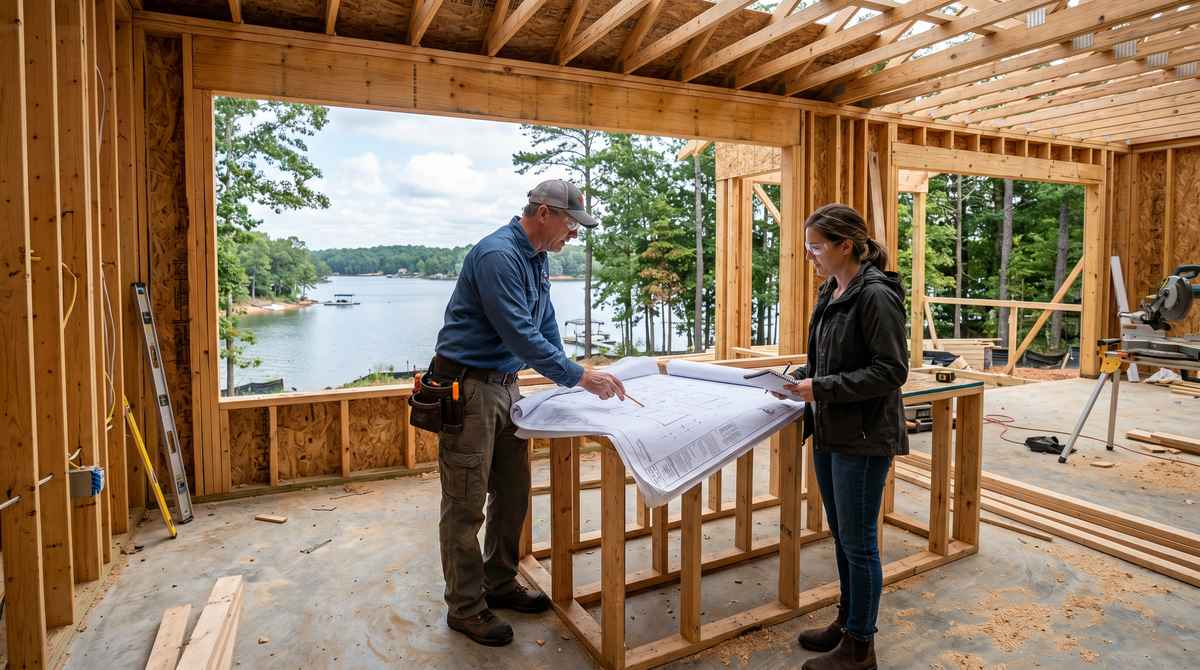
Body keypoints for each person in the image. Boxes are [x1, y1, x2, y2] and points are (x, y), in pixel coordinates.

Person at [430, 178, 627, 647]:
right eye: (570, 223)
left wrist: (571, 376)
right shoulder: (498, 255)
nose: (574, 234)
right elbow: (519, 333)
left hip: (505, 387)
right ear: (543, 213)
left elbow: (545, 326)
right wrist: (579, 377)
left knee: (513, 494)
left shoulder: (535, 259)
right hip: (469, 388)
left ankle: (498, 584)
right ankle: (465, 607)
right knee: (464, 503)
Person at [782, 203, 908, 670]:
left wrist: (822, 388)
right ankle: (847, 621)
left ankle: (861, 648)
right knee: (842, 536)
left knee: (860, 544)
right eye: (808, 247)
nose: (810, 255)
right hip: (831, 428)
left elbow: (891, 370)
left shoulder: (875, 295)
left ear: (845, 245)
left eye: (816, 247)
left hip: (863, 434)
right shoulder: (831, 290)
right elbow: (828, 358)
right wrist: (800, 377)